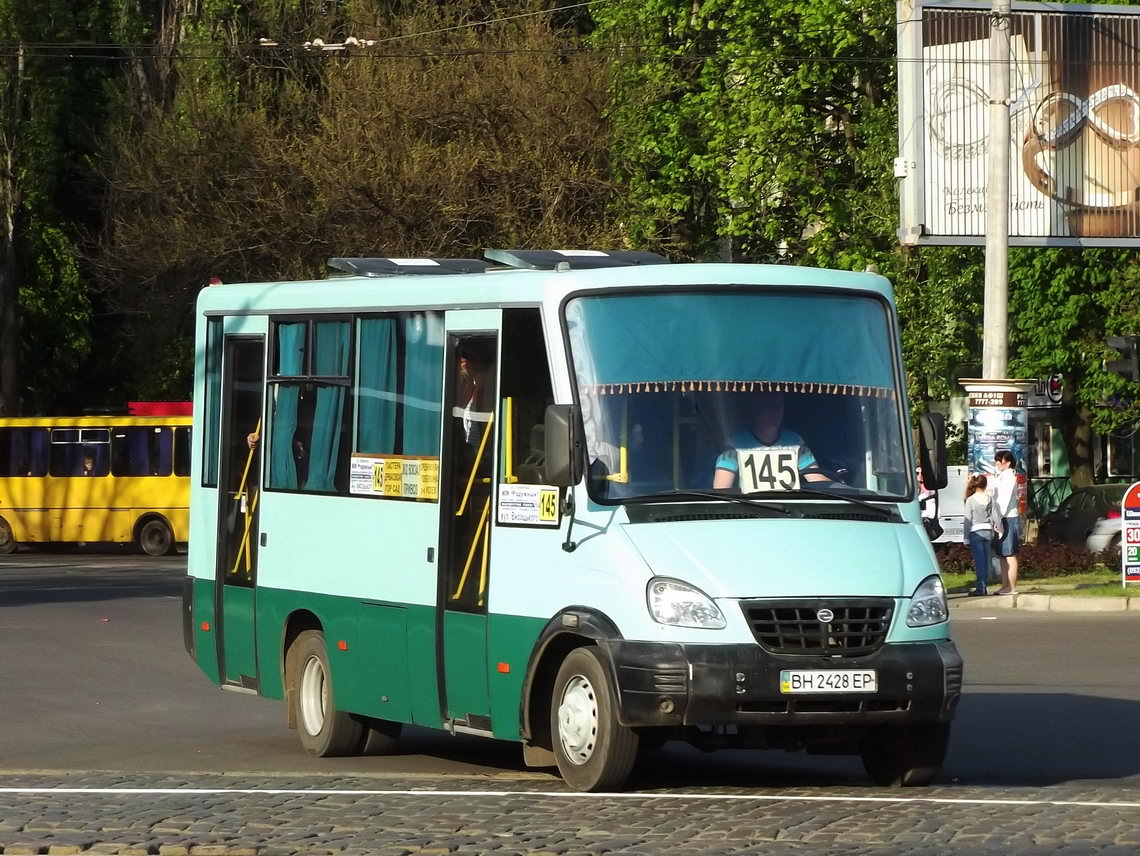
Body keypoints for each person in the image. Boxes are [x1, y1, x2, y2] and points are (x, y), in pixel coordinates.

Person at [712, 391, 829, 490]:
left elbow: (818, 481)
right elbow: (721, 490)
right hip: (750, 510)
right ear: (754, 407)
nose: (774, 410)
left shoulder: (794, 441)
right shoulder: (736, 444)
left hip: (790, 511)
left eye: (779, 404)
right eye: (767, 404)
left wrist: (840, 488)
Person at [963, 473, 1003, 596]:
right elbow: (996, 516)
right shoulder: (990, 498)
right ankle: (984, 584)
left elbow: (967, 520)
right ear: (985, 485)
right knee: (986, 560)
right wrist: (1000, 529)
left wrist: (965, 538)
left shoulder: (970, 500)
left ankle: (981, 587)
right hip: (988, 531)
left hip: (976, 532)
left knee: (979, 561)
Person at [991, 449, 1021, 594]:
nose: (997, 463)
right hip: (1000, 517)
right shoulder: (1000, 476)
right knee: (1002, 554)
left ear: (1008, 462)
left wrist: (998, 518)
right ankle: (1005, 585)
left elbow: (1005, 499)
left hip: (1008, 517)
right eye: (996, 460)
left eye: (1000, 460)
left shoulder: (1009, 477)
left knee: (1009, 553)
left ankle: (1012, 587)